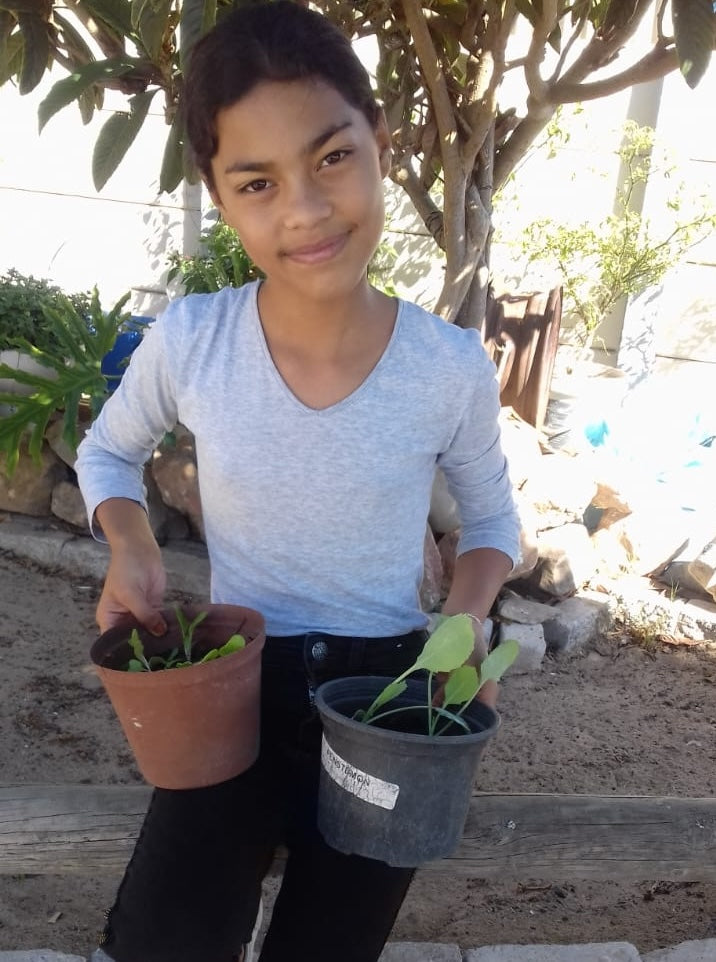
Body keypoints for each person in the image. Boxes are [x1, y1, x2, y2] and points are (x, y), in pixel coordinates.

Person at [76, 3, 521, 961]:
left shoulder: (448, 366)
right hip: (229, 690)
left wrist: (472, 617)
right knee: (164, 940)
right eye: (257, 181)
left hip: (388, 702)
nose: (306, 210)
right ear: (220, 196)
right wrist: (132, 542)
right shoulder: (196, 339)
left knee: (331, 945)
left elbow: (490, 522)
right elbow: (107, 452)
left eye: (331, 158)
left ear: (383, 149)